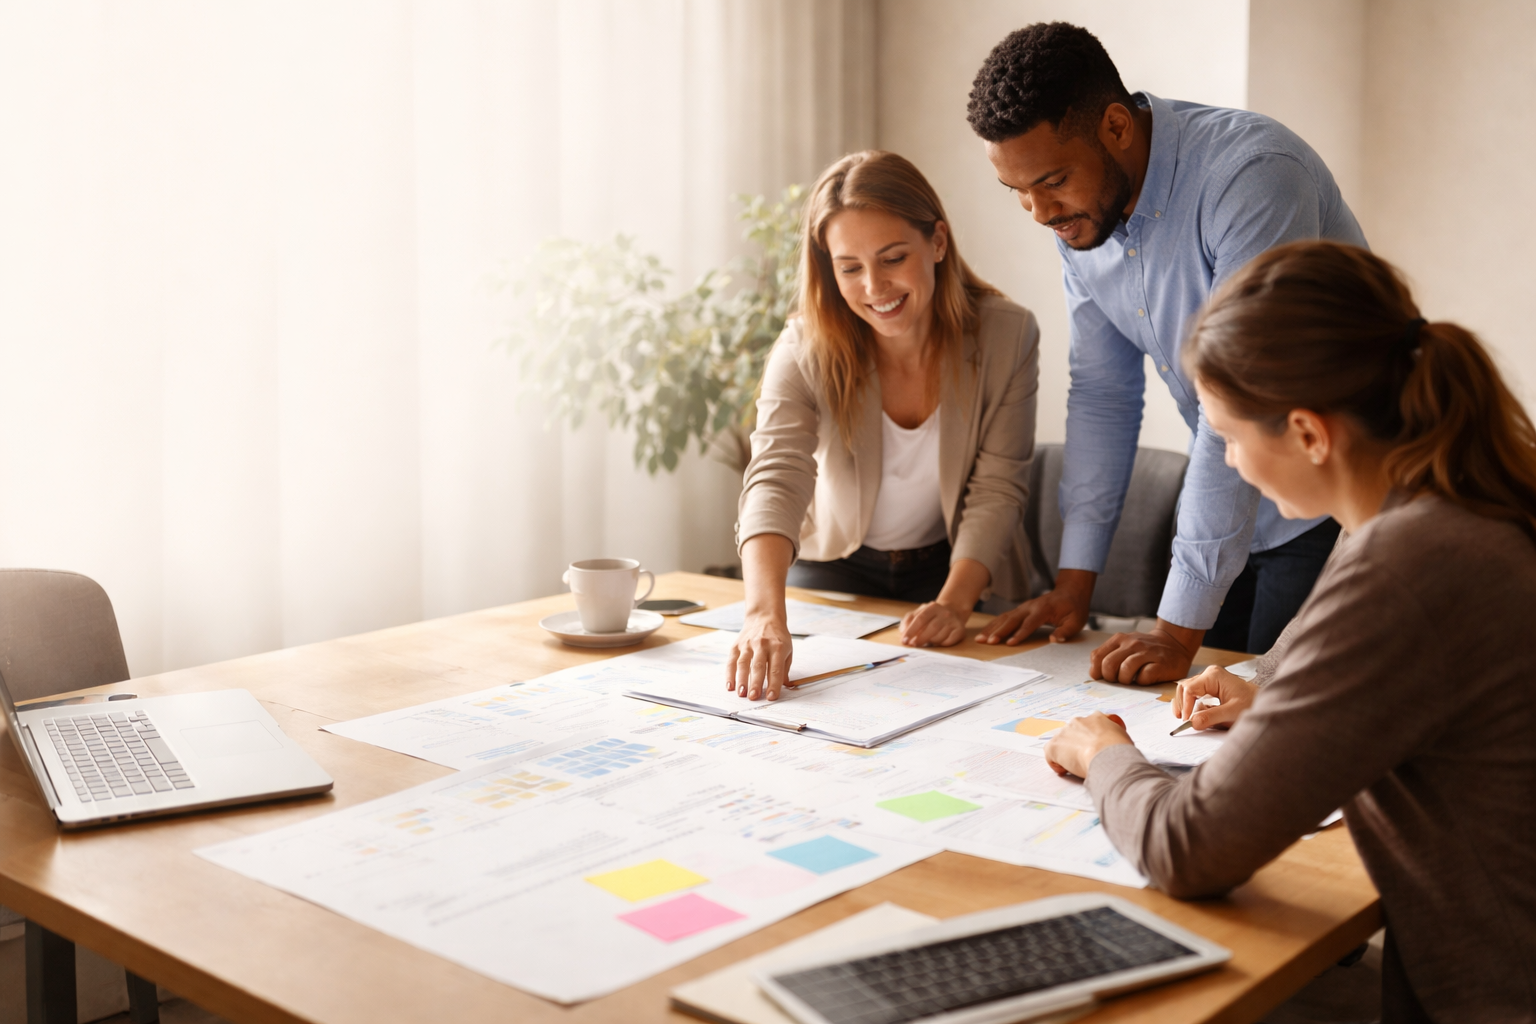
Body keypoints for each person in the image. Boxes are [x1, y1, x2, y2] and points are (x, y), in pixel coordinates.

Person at [1044, 241, 1536, 1023]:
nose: (1232, 463)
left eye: (1230, 436)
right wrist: (1274, 697)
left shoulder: (1403, 562)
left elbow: (1189, 848)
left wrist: (1105, 754)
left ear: (1308, 433)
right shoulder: (1453, 498)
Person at [965, 22, 1367, 679]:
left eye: (1052, 180)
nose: (1039, 213)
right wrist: (1075, 585)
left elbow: (1237, 397)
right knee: (1184, 716)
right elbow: (1102, 394)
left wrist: (1175, 632)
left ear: (1117, 127)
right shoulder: (1080, 215)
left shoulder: (1253, 176)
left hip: (1332, 502)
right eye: (1018, 192)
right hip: (1237, 500)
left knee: (1273, 730)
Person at [728, 150, 1040, 700]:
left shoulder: (1006, 335)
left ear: (937, 242)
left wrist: (953, 602)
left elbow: (998, 486)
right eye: (850, 268)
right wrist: (760, 614)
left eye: (893, 258)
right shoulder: (805, 346)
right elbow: (776, 476)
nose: (874, 286)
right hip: (839, 565)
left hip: (957, 568)